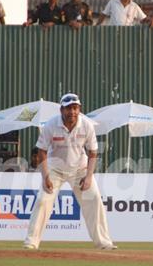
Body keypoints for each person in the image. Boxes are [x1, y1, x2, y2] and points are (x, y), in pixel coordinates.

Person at [23, 93, 116, 250]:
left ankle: (104, 242)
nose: (72, 112)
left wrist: (88, 177)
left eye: (75, 108)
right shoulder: (51, 125)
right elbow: (42, 151)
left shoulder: (87, 125)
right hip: (55, 169)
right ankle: (31, 242)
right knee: (42, 200)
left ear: (79, 109)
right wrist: (45, 175)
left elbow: (93, 152)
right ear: (61, 110)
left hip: (80, 169)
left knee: (94, 200)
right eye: (68, 108)